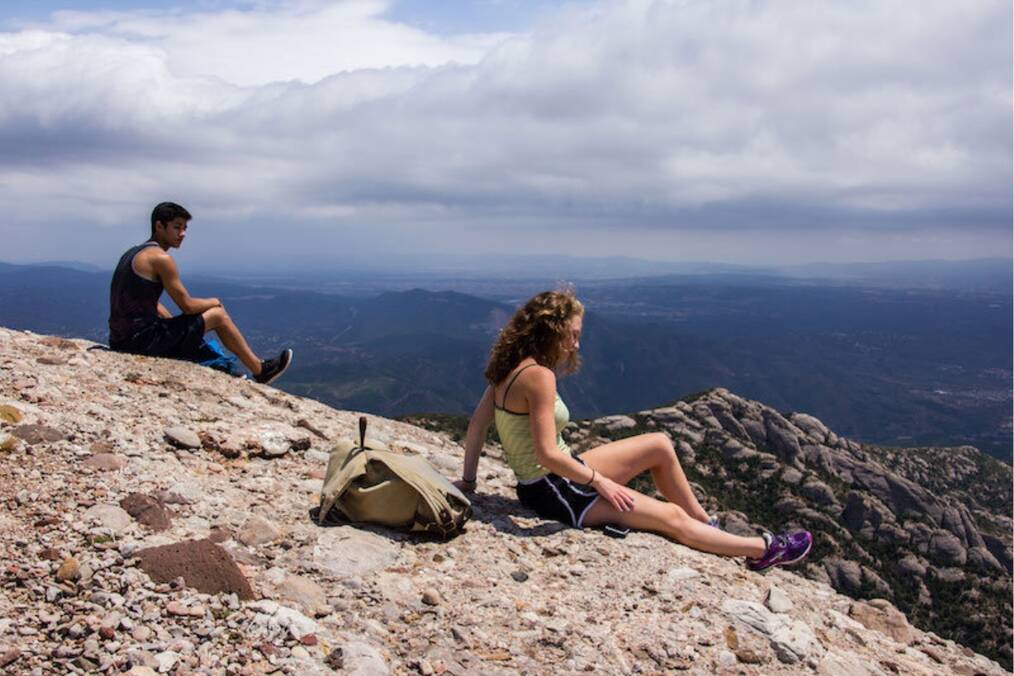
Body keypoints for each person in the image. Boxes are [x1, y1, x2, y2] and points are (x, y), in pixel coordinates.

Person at [457, 289, 811, 571]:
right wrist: (598, 481)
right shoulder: (540, 376)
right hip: (554, 490)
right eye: (573, 335)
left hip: (554, 478)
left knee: (658, 444)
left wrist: (470, 482)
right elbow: (548, 454)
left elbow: (477, 426)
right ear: (553, 330)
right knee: (670, 518)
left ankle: (707, 524)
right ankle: (764, 549)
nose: (577, 344)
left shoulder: (510, 367)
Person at [108, 201, 292, 385]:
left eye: (185, 228)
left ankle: (214, 361)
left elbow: (150, 302)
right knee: (218, 315)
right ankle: (260, 370)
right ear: (159, 226)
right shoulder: (161, 258)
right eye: (177, 227)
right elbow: (187, 306)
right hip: (141, 342)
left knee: (189, 326)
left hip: (120, 340)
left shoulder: (133, 253)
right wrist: (214, 301)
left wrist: (177, 330)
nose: (182, 234)